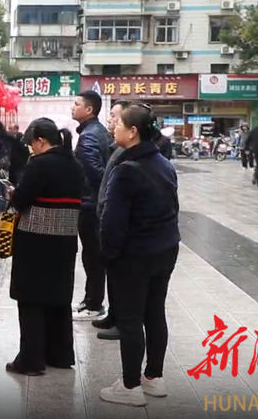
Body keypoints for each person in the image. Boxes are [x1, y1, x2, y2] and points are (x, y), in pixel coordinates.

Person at [98, 103, 181, 407]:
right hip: (165, 249)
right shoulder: (164, 164)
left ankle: (130, 385)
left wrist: (109, 254)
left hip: (134, 255)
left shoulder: (126, 171)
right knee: (154, 312)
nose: (114, 127)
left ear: (133, 132)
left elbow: (112, 221)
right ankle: (154, 377)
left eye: (118, 123)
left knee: (130, 318)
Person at [5, 118, 83, 376]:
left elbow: (22, 199)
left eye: (32, 144)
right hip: (66, 239)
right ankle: (60, 355)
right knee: (59, 297)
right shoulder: (75, 164)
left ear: (40, 140)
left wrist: (12, 193)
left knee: (30, 298)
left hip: (36, 240)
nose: (31, 148)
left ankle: (31, 360)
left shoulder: (39, 164)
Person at [71, 90, 112, 321]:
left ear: (89, 110)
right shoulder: (98, 131)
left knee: (93, 255)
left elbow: (96, 173)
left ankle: (94, 304)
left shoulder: (88, 137)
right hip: (95, 202)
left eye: (77, 104)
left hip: (90, 204)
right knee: (92, 254)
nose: (73, 107)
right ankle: (90, 299)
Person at [92, 99, 130, 342]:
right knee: (112, 274)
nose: (110, 120)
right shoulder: (116, 148)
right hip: (107, 220)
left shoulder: (128, 154)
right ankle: (114, 314)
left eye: (115, 116)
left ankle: (122, 320)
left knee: (122, 277)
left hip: (120, 229)